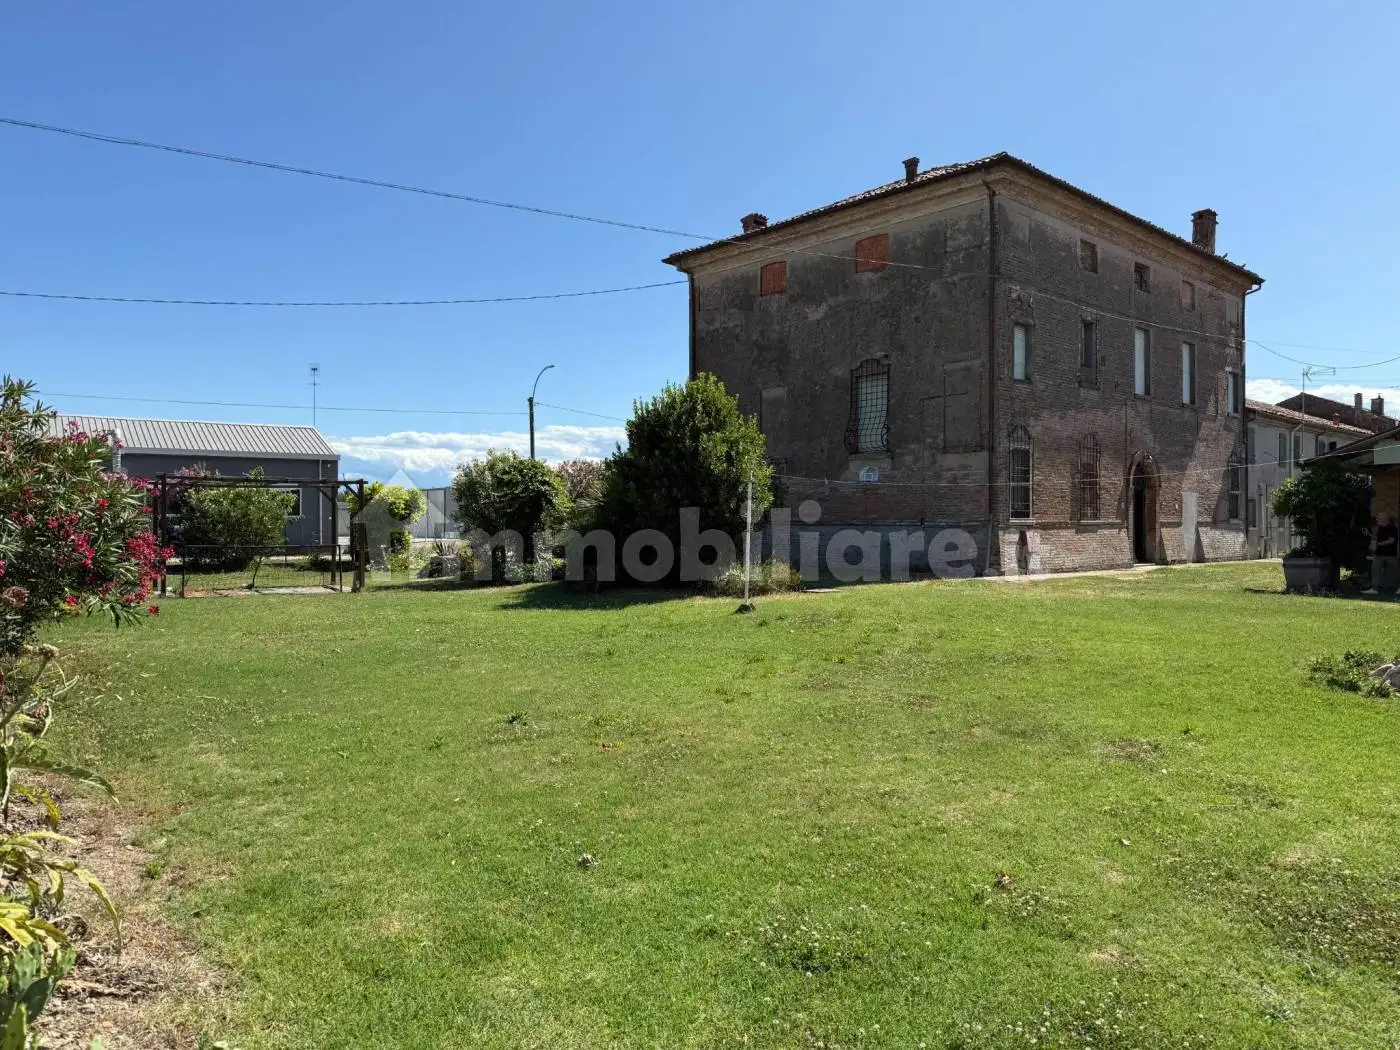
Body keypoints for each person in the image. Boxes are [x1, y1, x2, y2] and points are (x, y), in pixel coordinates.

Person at [1363, 514, 1398, 595]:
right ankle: (1374, 589)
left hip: (1390, 555)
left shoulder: (1393, 528)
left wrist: (1380, 544)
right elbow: (1377, 538)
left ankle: (1398, 588)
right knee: (1375, 570)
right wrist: (1368, 533)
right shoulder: (1380, 528)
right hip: (1379, 554)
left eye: (1379, 519)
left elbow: (1392, 540)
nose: (1377, 520)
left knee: (1395, 572)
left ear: (1385, 520)